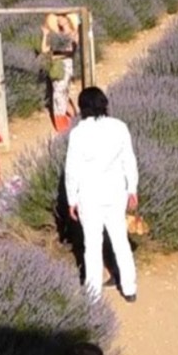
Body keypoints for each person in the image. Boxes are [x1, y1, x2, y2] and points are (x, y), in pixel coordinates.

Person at [65, 87, 139, 304]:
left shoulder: (79, 133)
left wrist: (72, 198)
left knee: (92, 245)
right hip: (116, 193)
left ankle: (93, 294)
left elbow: (72, 169)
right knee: (120, 240)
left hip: (89, 196)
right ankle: (129, 287)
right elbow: (129, 160)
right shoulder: (119, 127)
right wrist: (132, 188)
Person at [43, 12, 79, 133]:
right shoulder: (56, 34)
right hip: (56, 68)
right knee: (61, 94)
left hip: (66, 67)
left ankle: (62, 124)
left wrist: (55, 57)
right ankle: (70, 120)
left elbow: (72, 51)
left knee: (60, 94)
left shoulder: (73, 33)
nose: (59, 19)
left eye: (61, 16)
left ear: (67, 18)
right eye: (57, 17)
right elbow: (45, 50)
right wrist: (45, 35)